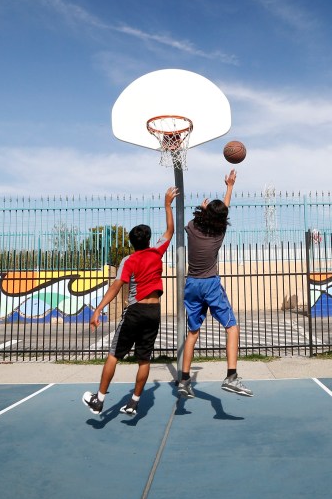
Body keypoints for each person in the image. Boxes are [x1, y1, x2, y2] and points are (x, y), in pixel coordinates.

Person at [82, 186, 178, 416]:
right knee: (144, 360)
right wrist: (167, 204)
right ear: (147, 240)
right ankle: (134, 402)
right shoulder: (157, 252)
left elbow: (116, 287)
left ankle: (99, 400)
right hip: (154, 312)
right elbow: (170, 231)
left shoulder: (129, 260)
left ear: (132, 242)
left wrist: (98, 309)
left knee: (114, 355)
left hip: (135, 312)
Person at [177, 169, 252, 398]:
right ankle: (231, 376)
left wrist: (204, 208)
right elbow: (223, 212)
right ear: (221, 220)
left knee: (192, 333)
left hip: (191, 284)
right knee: (232, 327)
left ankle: (184, 380)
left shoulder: (191, 227)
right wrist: (229, 186)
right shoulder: (219, 233)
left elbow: (209, 215)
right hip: (209, 284)